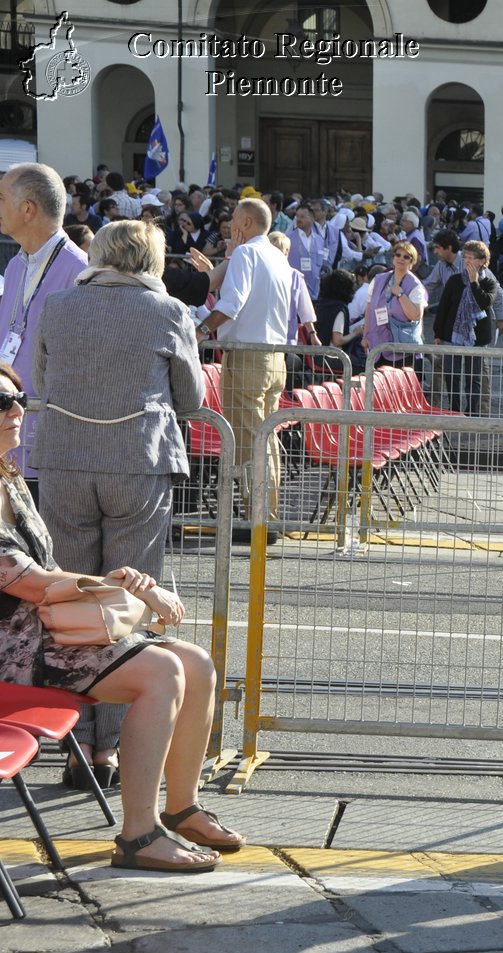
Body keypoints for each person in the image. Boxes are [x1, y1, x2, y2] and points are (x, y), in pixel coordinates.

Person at [0, 362, 240, 869]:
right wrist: (122, 584)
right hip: (13, 654)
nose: (17, 410)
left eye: (18, 399)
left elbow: (44, 572)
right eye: (2, 403)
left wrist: (123, 580)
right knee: (162, 672)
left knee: (196, 663)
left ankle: (181, 807)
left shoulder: (8, 477)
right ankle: (139, 834)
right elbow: (31, 584)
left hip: (41, 634)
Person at [30, 221, 203, 790]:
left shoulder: (58, 305)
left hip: (65, 458)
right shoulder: (170, 312)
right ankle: (124, 743)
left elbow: (40, 379)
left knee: (72, 602)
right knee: (131, 604)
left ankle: (79, 746)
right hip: (139, 458)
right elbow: (192, 397)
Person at [194, 198, 294, 538]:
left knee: (251, 439)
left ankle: (259, 518)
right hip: (274, 355)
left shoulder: (248, 254)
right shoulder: (277, 257)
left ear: (246, 224)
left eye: (235, 219)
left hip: (248, 355)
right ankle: (268, 514)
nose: (230, 226)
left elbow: (233, 304)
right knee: (265, 437)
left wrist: (201, 331)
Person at [0, 163, 91, 497]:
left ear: (27, 209)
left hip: (49, 448)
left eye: (1, 198)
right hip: (9, 443)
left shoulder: (81, 272)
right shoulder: (15, 266)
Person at [431, 239, 497, 415]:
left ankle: (472, 412)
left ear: (482, 261)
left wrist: (474, 282)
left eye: (472, 257)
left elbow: (484, 302)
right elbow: (444, 308)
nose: (467, 261)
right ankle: (454, 409)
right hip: (452, 335)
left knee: (473, 377)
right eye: (465, 257)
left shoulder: (489, 283)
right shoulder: (454, 281)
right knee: (452, 375)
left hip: (477, 338)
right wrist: (438, 332)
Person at [362, 237, 428, 374]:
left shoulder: (415, 285)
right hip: (378, 344)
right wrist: (365, 335)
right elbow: (369, 308)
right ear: (393, 258)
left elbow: (416, 315)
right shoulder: (379, 279)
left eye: (406, 256)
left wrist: (400, 294)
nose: (401, 258)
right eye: (398, 255)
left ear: (412, 261)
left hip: (402, 349)